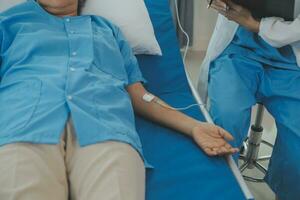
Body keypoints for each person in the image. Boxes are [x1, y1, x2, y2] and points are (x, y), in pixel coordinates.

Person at [0, 0, 239, 200]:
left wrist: (194, 126)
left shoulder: (108, 31)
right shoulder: (9, 22)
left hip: (105, 127)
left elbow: (139, 94)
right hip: (24, 125)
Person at [198, 0, 300, 199]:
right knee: (226, 120)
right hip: (238, 50)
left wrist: (256, 25)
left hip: (292, 61)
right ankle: (222, 191)